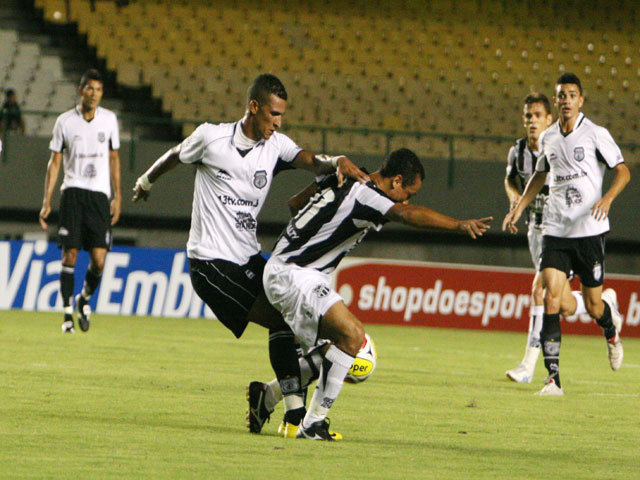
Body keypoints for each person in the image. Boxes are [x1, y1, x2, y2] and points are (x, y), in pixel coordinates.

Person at [131, 73, 369, 436]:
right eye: (273, 114)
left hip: (248, 258)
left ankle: (272, 400)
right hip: (211, 263)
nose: (277, 122)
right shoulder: (211, 137)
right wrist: (146, 181)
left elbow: (309, 160)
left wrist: (335, 160)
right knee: (283, 320)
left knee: (288, 315)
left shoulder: (275, 147)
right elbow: (175, 155)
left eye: (282, 116)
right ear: (254, 107)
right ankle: (292, 413)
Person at [262, 148, 492, 440]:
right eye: (409, 191)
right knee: (354, 337)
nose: (408, 199)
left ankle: (270, 397)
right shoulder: (368, 194)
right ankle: (312, 423)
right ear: (396, 181)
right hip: (295, 275)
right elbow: (405, 214)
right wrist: (459, 225)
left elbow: (295, 203)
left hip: (287, 266)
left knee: (342, 347)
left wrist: (317, 231)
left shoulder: (341, 178)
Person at [503, 73, 631, 396]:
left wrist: (607, 198)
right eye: (561, 95)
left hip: (589, 231)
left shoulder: (595, 134)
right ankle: (553, 379)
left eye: (572, 95)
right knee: (550, 297)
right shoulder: (549, 138)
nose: (566, 101)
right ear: (557, 100)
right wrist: (519, 207)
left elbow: (623, 171)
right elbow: (539, 175)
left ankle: (610, 327)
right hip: (555, 229)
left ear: (581, 100)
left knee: (592, 306)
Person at [504, 93, 587, 384]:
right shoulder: (518, 151)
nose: (532, 121)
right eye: (528, 116)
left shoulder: (562, 147)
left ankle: (528, 365)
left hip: (562, 232)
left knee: (539, 290)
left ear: (549, 119)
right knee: (562, 302)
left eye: (538, 115)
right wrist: (515, 201)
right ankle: (604, 306)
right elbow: (511, 179)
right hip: (535, 230)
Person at [39, 69, 121, 333]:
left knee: (99, 260)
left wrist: (117, 196)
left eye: (98, 90)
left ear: (101, 93)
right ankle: (66, 315)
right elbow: (54, 163)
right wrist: (46, 200)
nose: (93, 94)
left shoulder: (109, 120)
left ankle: (83, 298)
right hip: (73, 191)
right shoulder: (65, 122)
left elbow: (114, 159)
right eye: (89, 88)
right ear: (80, 90)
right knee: (70, 253)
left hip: (99, 195)